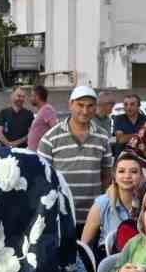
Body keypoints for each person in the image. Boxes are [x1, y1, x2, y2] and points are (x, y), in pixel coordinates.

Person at [38, 84, 114, 222]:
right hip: (61, 215)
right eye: (80, 105)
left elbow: (106, 176)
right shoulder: (50, 138)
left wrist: (104, 207)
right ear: (70, 105)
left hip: (93, 217)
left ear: (95, 107)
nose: (85, 111)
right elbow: (41, 178)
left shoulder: (102, 137)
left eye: (90, 106)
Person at [81, 152, 140, 257]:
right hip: (110, 260)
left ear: (141, 176)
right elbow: (84, 245)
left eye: (134, 172)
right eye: (121, 171)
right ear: (115, 176)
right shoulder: (102, 203)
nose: (127, 176)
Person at [24, 84, 59, 150]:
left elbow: (56, 130)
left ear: (37, 96)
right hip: (34, 151)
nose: (30, 98)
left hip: (40, 153)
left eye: (32, 96)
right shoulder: (42, 110)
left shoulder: (47, 109)